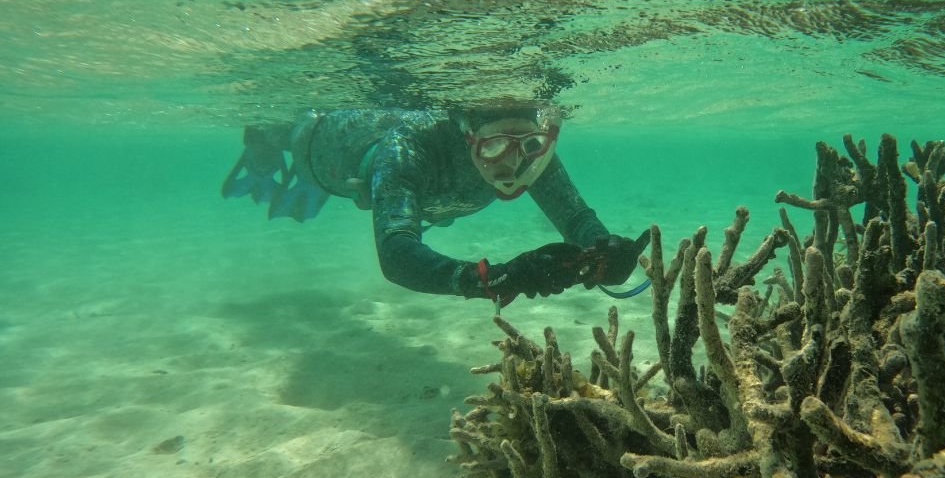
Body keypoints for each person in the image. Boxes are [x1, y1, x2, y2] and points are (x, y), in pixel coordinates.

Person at [221, 104, 648, 307]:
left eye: (529, 145)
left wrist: (602, 247)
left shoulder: (530, 154)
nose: (514, 164)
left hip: (410, 193)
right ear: (468, 137)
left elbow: (574, 215)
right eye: (494, 147)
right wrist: (492, 278)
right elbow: (396, 254)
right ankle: (261, 146)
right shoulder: (409, 147)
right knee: (289, 132)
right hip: (323, 154)